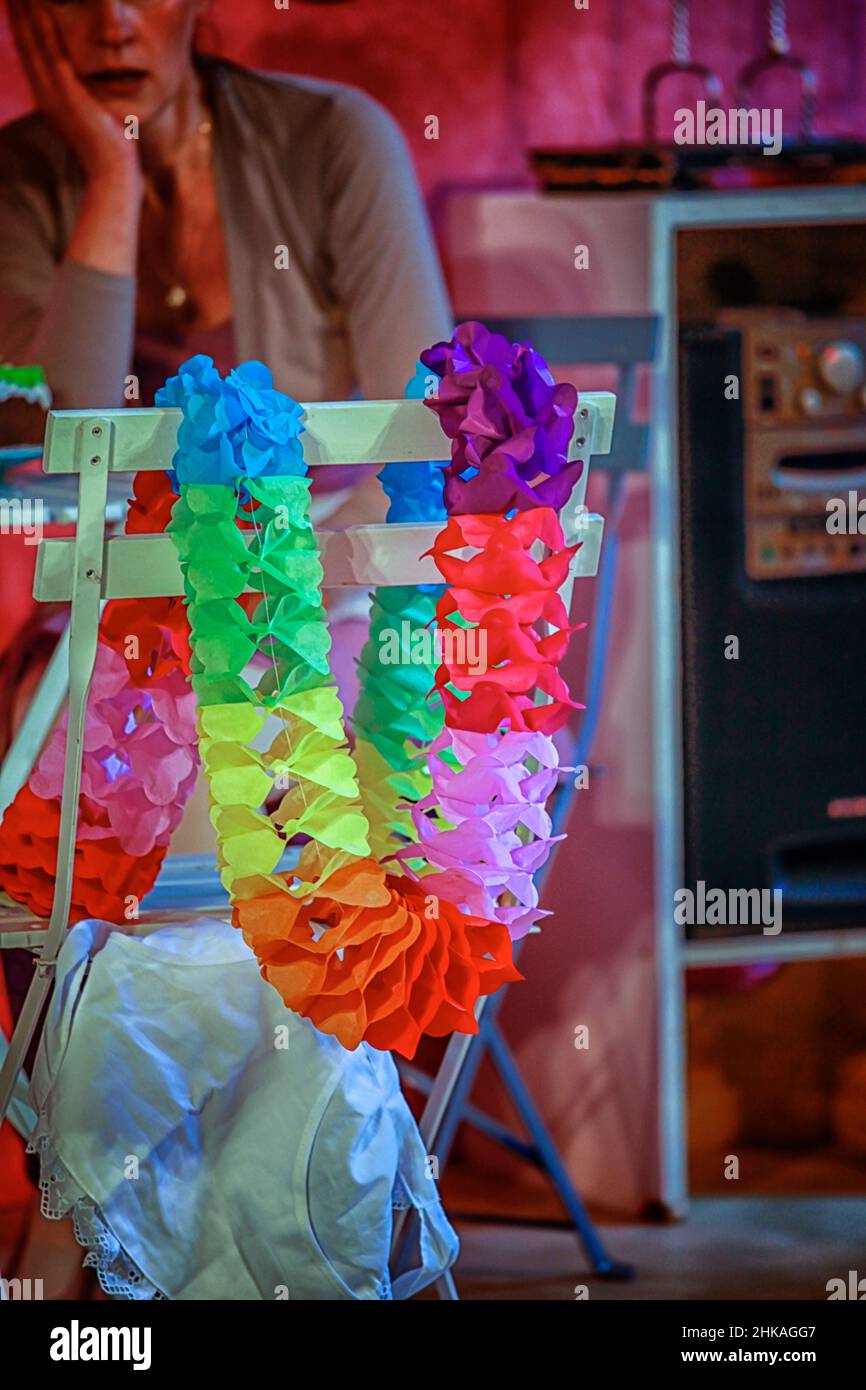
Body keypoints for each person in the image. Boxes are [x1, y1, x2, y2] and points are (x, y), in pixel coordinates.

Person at [0, 0, 452, 519]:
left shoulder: (335, 136)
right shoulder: (16, 180)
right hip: (113, 567)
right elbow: (54, 455)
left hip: (326, 550)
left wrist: (296, 587)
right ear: (27, 18)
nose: (113, 27)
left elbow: (422, 442)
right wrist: (112, 174)